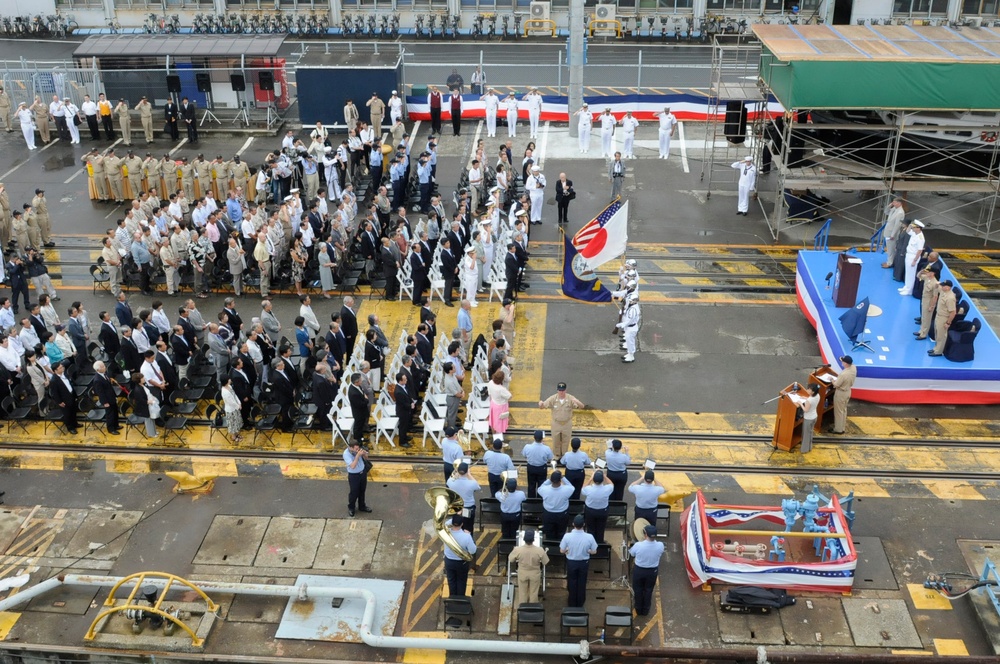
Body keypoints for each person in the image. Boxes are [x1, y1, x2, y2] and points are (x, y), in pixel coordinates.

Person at [560, 514, 598, 608]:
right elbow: (594, 551)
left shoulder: (567, 536)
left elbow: (561, 550)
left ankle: (572, 602)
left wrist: (566, 551)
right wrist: (589, 551)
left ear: (573, 524)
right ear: (584, 524)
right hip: (583, 563)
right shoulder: (589, 537)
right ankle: (580, 602)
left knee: (572, 582)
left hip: (571, 562)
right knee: (582, 582)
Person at [538, 382, 585, 457]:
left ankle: (564, 455)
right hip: (556, 423)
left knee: (565, 441)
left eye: (563, 390)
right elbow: (543, 406)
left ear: (565, 390)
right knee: (556, 441)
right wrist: (540, 404)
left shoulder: (570, 398)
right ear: (557, 390)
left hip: (567, 423)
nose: (561, 392)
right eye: (560, 390)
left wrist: (577, 402)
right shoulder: (553, 398)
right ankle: (557, 456)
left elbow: (582, 406)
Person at [629, 524, 665, 617]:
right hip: (652, 571)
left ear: (645, 535)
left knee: (638, 590)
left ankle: (638, 608)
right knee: (648, 590)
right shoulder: (660, 545)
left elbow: (632, 553)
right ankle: (646, 610)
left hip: (639, 570)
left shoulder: (638, 545)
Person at [509, 530, 549, 605]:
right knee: (533, 594)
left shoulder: (518, 549)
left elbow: (511, 560)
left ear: (524, 539)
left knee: (522, 593)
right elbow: (545, 562)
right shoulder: (539, 550)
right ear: (533, 539)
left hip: (522, 573)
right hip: (535, 574)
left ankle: (522, 609)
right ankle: (532, 609)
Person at [443, 517, 477, 597]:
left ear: (452, 524)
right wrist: (469, 535)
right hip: (461, 563)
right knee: (461, 581)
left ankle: (452, 597)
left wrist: (455, 517)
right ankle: (460, 599)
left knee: (451, 581)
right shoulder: (466, 536)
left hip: (449, 561)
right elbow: (473, 551)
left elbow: (444, 524)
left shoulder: (445, 533)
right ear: (462, 524)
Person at [537, 470, 574, 542]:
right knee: (561, 533)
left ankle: (550, 548)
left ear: (551, 480)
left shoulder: (544, 489)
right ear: (560, 480)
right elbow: (571, 486)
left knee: (549, 534)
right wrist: (563, 478)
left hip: (548, 514)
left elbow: (541, 487)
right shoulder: (567, 489)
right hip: (562, 514)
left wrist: (549, 480)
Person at [581, 470, 613, 543]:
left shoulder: (589, 489)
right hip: (602, 511)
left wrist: (590, 479)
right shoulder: (607, 489)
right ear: (602, 480)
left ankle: (591, 543)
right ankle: (600, 543)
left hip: (590, 511)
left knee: (590, 528)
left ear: (594, 480)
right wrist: (605, 476)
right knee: (600, 528)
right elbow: (611, 484)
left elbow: (583, 488)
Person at [447, 462, 481, 532]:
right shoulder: (472, 483)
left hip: (456, 507)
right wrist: (469, 474)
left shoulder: (450, 482)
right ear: (467, 471)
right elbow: (478, 487)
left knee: (456, 525)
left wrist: (456, 475)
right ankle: (468, 539)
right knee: (468, 527)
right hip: (468, 508)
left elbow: (449, 480)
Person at [343, 440, 373, 517]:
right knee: (354, 492)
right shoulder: (346, 454)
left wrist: (364, 454)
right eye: (355, 449)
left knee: (362, 491)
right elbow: (352, 466)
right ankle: (351, 507)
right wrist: (357, 455)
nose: (357, 450)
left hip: (362, 473)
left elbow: (366, 459)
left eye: (358, 448)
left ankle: (362, 506)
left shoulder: (358, 450)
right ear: (350, 448)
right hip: (354, 475)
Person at [827, 355, 856, 434]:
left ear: (846, 363)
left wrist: (832, 379)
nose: (842, 362)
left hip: (841, 393)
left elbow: (836, 385)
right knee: (843, 410)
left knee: (838, 412)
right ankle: (842, 427)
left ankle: (838, 429)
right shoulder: (853, 368)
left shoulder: (844, 374)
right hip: (848, 391)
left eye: (843, 361)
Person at [929, 280, 957, 357]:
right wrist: (937, 284)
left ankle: (938, 351)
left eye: (944, 286)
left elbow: (953, 312)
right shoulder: (943, 291)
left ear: (948, 287)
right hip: (938, 315)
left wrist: (948, 323)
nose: (942, 286)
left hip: (944, 317)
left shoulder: (950, 298)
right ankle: (936, 348)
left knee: (941, 335)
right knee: (937, 333)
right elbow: (937, 286)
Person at [522, 429, 553, 498]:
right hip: (542, 468)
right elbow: (550, 458)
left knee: (531, 484)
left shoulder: (527, 447)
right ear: (542, 438)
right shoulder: (546, 448)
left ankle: (531, 499)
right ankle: (539, 499)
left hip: (531, 467)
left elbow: (524, 455)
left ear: (534, 437)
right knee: (541, 485)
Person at [92, 361, 120, 435]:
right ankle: (111, 429)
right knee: (110, 414)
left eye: (104, 365)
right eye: (102, 367)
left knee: (115, 411)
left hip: (111, 396)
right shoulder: (97, 380)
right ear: (98, 370)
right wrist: (105, 402)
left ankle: (116, 425)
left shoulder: (105, 374)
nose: (105, 367)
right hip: (107, 399)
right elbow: (100, 393)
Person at [900, 221, 926, 294]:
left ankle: (909, 290)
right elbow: (908, 231)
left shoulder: (921, 238)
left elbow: (920, 250)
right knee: (907, 272)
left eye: (914, 227)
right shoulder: (915, 233)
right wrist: (910, 225)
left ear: (918, 228)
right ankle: (906, 286)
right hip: (908, 254)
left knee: (911, 273)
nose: (913, 229)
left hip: (913, 256)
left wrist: (915, 260)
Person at [915, 265, 941, 340]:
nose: (927, 273)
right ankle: (921, 330)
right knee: (923, 316)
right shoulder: (927, 278)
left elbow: (935, 296)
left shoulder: (935, 283)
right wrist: (921, 271)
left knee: (927, 319)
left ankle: (924, 334)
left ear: (933, 273)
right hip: (924, 299)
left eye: (929, 272)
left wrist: (931, 306)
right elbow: (918, 276)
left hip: (929, 301)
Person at [881, 196, 906, 268]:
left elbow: (897, 225)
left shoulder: (900, 212)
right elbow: (886, 212)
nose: (893, 203)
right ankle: (889, 261)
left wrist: (892, 235)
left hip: (892, 233)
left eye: (894, 202)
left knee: (891, 248)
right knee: (889, 247)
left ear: (899, 203)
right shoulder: (894, 209)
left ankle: (890, 263)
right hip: (888, 231)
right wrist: (889, 206)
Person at [220, 375, 244, 444]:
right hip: (231, 410)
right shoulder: (224, 391)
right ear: (226, 381)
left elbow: (234, 395)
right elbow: (231, 402)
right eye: (229, 379)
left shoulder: (229, 387)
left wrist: (239, 403)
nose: (230, 380)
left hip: (235, 407)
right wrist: (237, 406)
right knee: (233, 423)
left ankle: (237, 434)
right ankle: (234, 436)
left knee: (236, 422)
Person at [801, 384, 821, 453]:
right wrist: (806, 398)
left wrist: (800, 403)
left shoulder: (809, 400)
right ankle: (809, 447)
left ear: (812, 392)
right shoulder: (817, 395)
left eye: (809, 389)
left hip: (808, 419)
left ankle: (804, 449)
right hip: (814, 417)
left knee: (806, 434)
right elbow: (811, 401)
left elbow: (805, 410)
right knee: (810, 432)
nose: (807, 390)